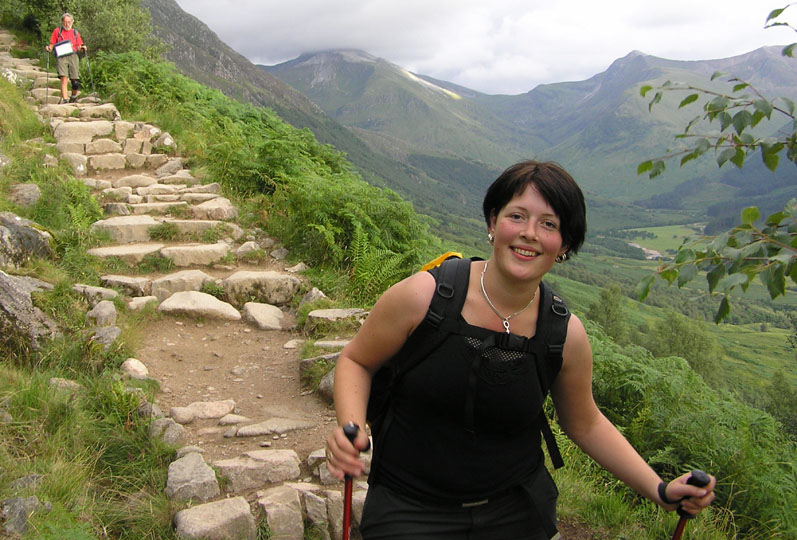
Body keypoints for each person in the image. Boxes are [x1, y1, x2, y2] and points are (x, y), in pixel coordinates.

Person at [326, 160, 716, 539]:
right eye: (517, 216)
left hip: (517, 510)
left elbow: (585, 423)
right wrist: (353, 427)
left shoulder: (563, 333)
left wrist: (660, 490)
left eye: (549, 224)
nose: (529, 233)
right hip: (408, 507)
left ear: (564, 245)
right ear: (493, 223)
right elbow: (357, 360)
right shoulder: (424, 296)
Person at [44, 13, 87, 104]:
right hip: (61, 56)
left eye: (69, 22)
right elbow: (52, 44)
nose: (67, 24)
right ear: (62, 22)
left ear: (72, 22)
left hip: (73, 56)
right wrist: (49, 48)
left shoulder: (75, 33)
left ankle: (73, 96)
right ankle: (65, 100)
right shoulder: (57, 31)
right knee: (64, 78)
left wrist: (82, 48)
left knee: (75, 81)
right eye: (65, 22)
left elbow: (79, 46)